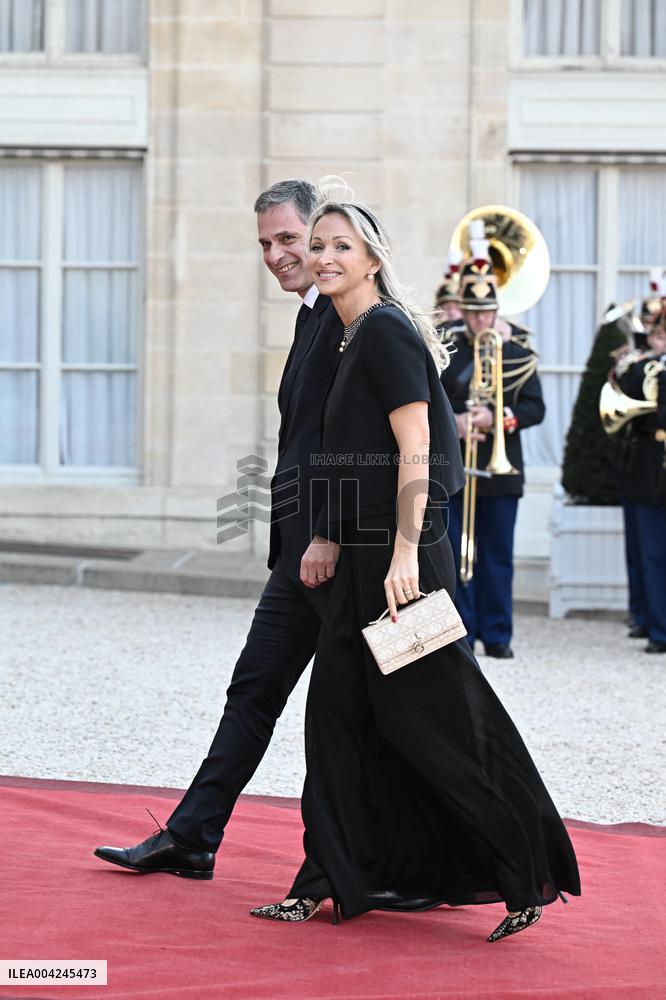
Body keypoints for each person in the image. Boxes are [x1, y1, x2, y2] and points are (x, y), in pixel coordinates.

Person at [249, 200, 580, 942]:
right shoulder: (346, 337)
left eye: (342, 246)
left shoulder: (389, 332)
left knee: (439, 719)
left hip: (403, 558)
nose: (325, 256)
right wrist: (327, 537)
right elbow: (347, 452)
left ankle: (526, 874)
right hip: (359, 559)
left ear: (372, 258)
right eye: (320, 244)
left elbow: (419, 449)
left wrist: (401, 554)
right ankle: (325, 876)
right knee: (336, 718)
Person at [94, 179, 344, 879]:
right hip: (298, 556)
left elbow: (362, 442)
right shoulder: (309, 316)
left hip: (341, 557)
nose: (275, 254)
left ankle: (394, 862)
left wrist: (328, 533)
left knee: (378, 717)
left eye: (287, 239)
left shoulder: (353, 317)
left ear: (323, 233)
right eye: (265, 243)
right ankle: (194, 835)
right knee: (254, 689)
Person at [440, 241, 545, 658]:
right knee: (455, 553)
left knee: (497, 556)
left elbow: (536, 408)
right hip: (457, 469)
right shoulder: (443, 351)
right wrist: (459, 423)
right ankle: (461, 633)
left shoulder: (518, 354)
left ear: (497, 311)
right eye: (473, 311)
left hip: (502, 472)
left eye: (487, 311)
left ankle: (498, 634)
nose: (481, 318)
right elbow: (427, 403)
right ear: (463, 310)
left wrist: (495, 419)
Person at [613, 306, 666, 654]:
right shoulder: (645, 368)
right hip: (651, 470)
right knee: (650, 552)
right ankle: (657, 628)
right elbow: (625, 397)